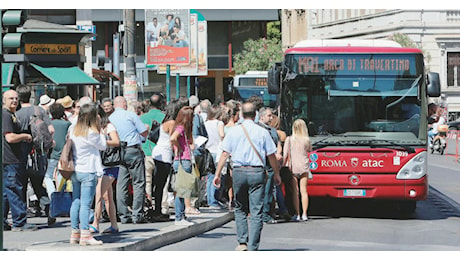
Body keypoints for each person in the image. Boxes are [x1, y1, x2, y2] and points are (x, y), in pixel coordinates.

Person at [213, 101, 281, 251]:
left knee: (240, 208)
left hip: (238, 171)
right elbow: (272, 156)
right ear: (256, 115)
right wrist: (276, 174)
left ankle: (242, 241)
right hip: (257, 172)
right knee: (256, 211)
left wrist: (217, 174)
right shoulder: (262, 132)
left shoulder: (234, 132)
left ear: (242, 115)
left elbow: (225, 154)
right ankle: (253, 246)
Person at [69, 102, 107, 246]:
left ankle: (75, 233)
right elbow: (103, 146)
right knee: (86, 204)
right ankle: (85, 234)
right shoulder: (91, 133)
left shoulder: (73, 129)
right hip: (88, 170)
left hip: (75, 169)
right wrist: (100, 130)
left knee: (76, 201)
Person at [15, 85, 55, 220]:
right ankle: (48, 208)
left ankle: (22, 215)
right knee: (38, 183)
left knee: (21, 185)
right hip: (38, 153)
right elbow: (51, 130)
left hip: (20, 153)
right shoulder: (39, 111)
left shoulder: (17, 113)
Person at [109, 96, 148, 224]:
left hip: (118, 152)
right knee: (138, 182)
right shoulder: (130, 115)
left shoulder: (110, 118)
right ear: (124, 104)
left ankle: (124, 215)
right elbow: (143, 132)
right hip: (133, 150)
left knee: (121, 183)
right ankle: (137, 214)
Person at [2, 89, 37, 232]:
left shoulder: (11, 114)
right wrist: (24, 136)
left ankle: (4, 221)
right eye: (11, 98)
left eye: (16, 98)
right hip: (10, 159)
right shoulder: (6, 115)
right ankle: (19, 221)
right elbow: (9, 137)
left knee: (6, 192)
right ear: (4, 100)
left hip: (9, 158)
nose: (14, 101)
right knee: (15, 189)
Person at [90, 106, 120, 234]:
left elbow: (116, 141)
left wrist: (102, 141)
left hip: (110, 164)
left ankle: (95, 223)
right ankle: (114, 225)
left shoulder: (109, 126)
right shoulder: (94, 128)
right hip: (101, 165)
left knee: (98, 194)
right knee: (107, 197)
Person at [151, 101, 180, 221]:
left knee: (159, 183)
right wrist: (178, 153)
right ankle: (158, 211)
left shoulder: (165, 122)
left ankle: (157, 210)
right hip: (165, 153)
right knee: (161, 183)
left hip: (159, 152)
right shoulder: (172, 123)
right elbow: (173, 140)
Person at [43, 102, 71, 226]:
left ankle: (52, 195)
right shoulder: (67, 124)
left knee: (48, 177)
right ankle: (60, 200)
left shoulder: (49, 124)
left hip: (52, 155)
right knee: (62, 178)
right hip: (65, 155)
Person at [170, 106, 197, 225]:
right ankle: (179, 217)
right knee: (182, 190)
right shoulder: (181, 128)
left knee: (182, 189)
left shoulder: (180, 127)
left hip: (181, 159)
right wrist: (180, 148)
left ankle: (181, 215)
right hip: (183, 159)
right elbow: (173, 138)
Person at [283, 119, 312, 222]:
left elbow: (285, 155)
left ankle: (297, 214)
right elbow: (309, 150)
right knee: (304, 191)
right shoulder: (306, 140)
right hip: (304, 166)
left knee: (295, 191)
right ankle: (305, 214)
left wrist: (281, 166)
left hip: (293, 167)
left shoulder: (289, 139)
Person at [258, 107, 282, 224]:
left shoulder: (272, 131)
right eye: (269, 115)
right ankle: (262, 214)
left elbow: (277, 144)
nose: (271, 117)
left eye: (272, 116)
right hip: (260, 163)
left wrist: (278, 153)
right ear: (261, 116)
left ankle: (265, 213)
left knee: (268, 191)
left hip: (270, 164)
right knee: (261, 191)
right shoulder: (257, 129)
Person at [140, 93, 166, 205]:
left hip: (146, 151)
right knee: (163, 182)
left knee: (147, 181)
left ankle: (148, 204)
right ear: (162, 103)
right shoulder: (165, 117)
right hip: (162, 153)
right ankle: (163, 206)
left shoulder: (142, 118)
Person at [204, 104, 225, 209]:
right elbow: (222, 135)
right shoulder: (219, 123)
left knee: (210, 176)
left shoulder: (206, 123)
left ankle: (210, 199)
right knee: (217, 176)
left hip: (208, 150)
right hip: (217, 151)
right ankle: (213, 200)